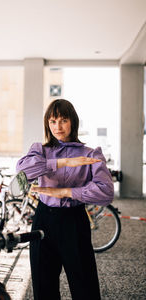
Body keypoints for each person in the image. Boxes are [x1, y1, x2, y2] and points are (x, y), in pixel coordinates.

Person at [16, 99, 114, 300]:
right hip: (43, 219)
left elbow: (105, 192)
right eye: (52, 121)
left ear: (73, 122)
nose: (58, 127)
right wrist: (63, 162)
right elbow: (22, 173)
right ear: (47, 124)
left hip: (73, 220)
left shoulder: (90, 154)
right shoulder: (40, 151)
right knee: (43, 286)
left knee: (84, 285)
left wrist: (66, 192)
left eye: (63, 120)